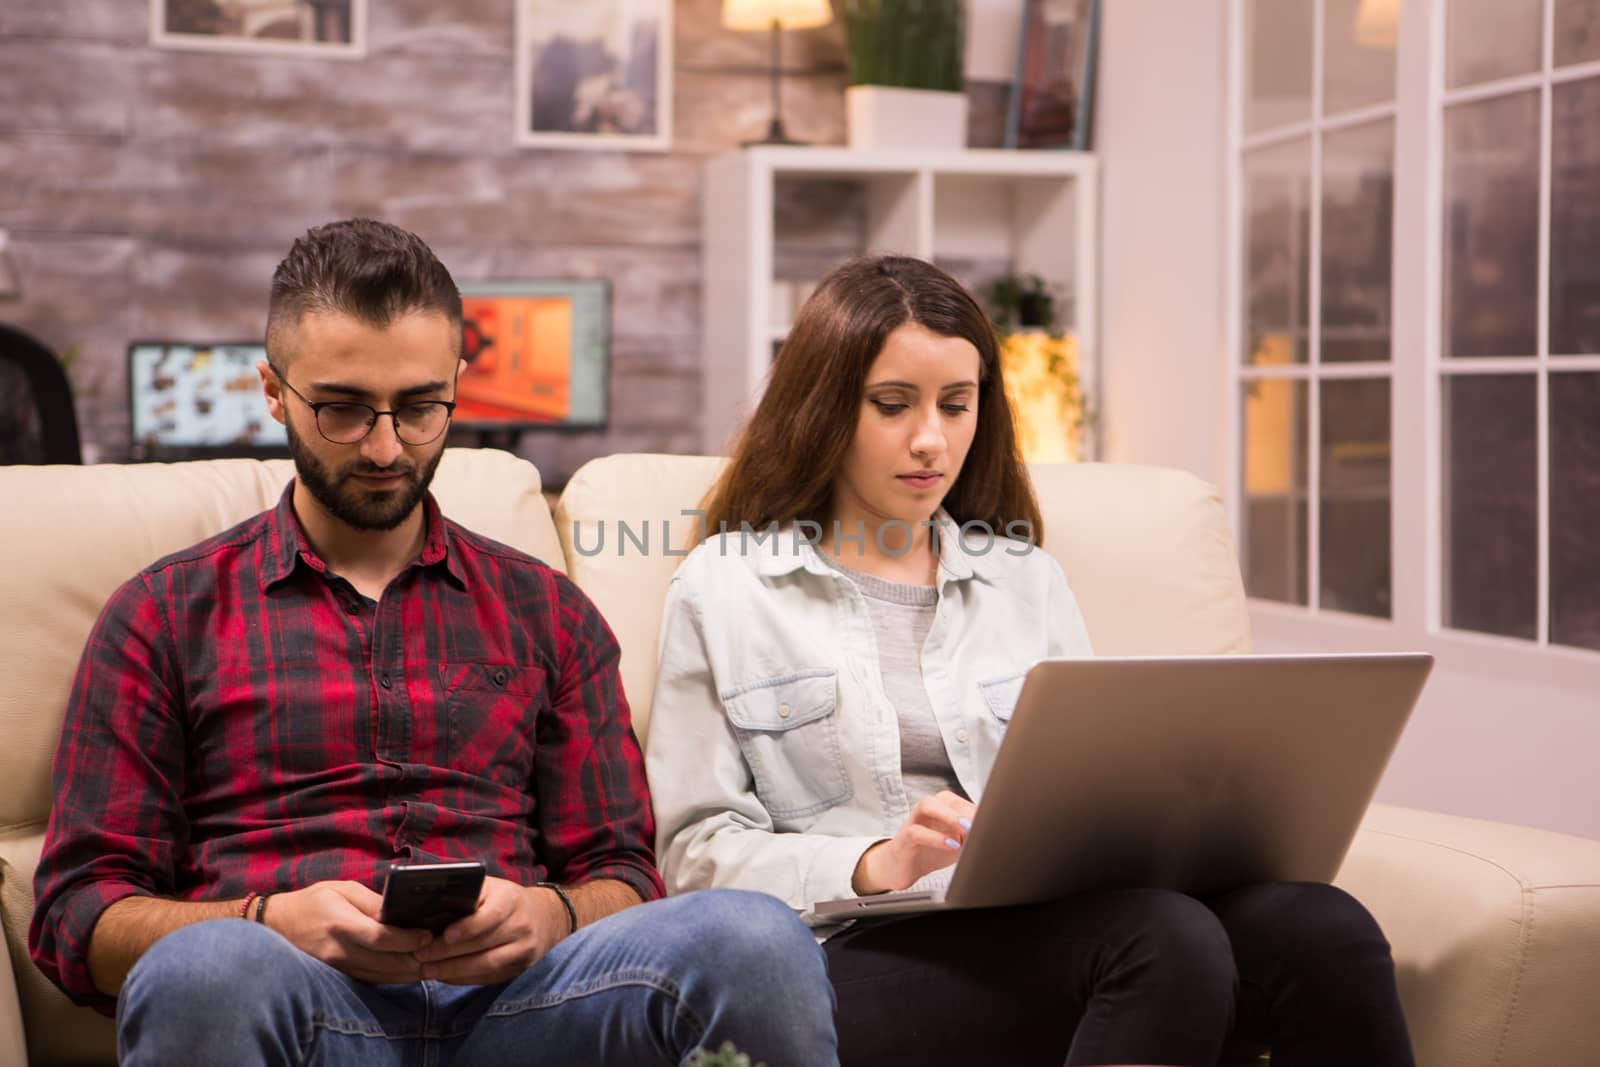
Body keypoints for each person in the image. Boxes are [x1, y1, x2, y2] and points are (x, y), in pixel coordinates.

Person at [29, 218, 837, 1067]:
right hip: (291, 1006)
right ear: (273, 392)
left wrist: (549, 915)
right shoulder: (164, 614)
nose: (385, 446)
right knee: (204, 969)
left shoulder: (546, 613)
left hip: (530, 1011)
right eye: (341, 409)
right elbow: (77, 916)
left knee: (754, 936)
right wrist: (265, 920)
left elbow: (625, 872)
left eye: (419, 408)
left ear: (458, 384)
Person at [645, 253, 1414, 1067]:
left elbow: (1093, 782)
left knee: (1326, 927)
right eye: (892, 405)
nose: (930, 439)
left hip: (1055, 918)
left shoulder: (1023, 576)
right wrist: (877, 862)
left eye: (956, 403)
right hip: (847, 951)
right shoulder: (726, 585)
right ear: (825, 409)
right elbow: (693, 852)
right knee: (1163, 939)